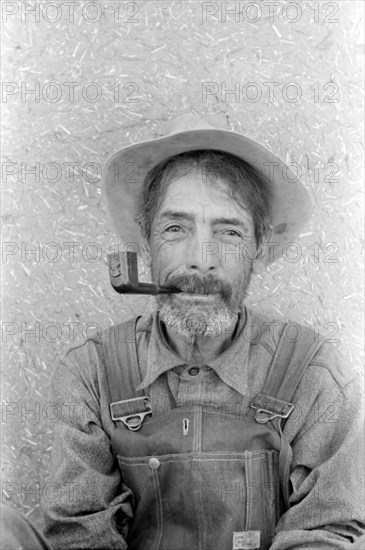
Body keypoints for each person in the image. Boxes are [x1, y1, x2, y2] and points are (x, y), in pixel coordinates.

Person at [2, 114, 363, 550]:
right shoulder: (90, 373)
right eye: (176, 229)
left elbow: (325, 532)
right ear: (145, 242)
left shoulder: (313, 373)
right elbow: (81, 536)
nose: (201, 261)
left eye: (228, 232)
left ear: (260, 248)